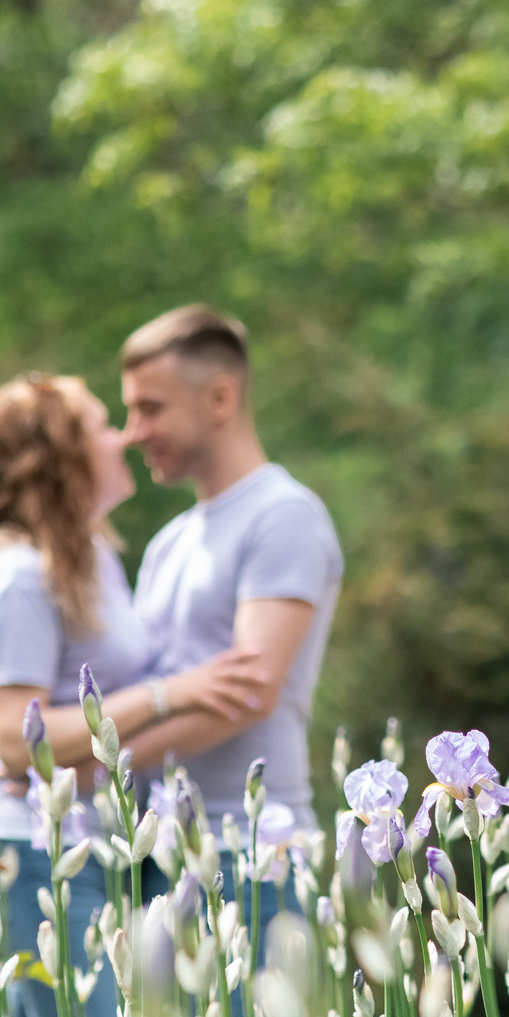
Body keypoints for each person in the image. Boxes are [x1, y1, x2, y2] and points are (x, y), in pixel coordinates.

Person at [0, 374, 267, 1017]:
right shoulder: (18, 576)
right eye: (102, 425)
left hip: (90, 848)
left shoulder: (92, 558)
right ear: (60, 457)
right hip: (29, 854)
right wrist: (168, 694)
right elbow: (15, 740)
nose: (125, 436)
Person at [115, 305, 344, 842]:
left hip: (254, 845)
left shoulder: (283, 515)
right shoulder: (167, 543)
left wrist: (105, 761)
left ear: (219, 398)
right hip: (161, 847)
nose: (132, 433)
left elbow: (249, 695)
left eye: (149, 409)